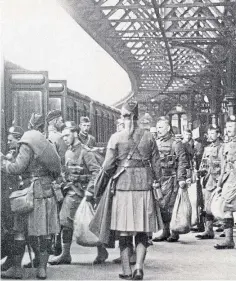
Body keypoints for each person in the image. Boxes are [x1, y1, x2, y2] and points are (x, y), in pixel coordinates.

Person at [92, 101, 163, 280]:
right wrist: (156, 182)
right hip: (145, 188)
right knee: (142, 230)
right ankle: (139, 267)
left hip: (123, 188)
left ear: (128, 117)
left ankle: (126, 270)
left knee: (124, 231)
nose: (122, 119)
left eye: (123, 115)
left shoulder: (116, 138)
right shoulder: (148, 137)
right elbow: (157, 166)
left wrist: (99, 186)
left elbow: (107, 166)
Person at [1, 113, 61, 279]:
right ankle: (42, 269)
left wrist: (2, 162)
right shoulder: (49, 144)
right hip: (47, 192)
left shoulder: (28, 142)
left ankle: (17, 269)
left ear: (31, 125)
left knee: (20, 231)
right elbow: (57, 170)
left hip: (29, 193)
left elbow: (17, 167)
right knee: (45, 232)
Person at [49, 121, 108, 266]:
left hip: (83, 193)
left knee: (89, 223)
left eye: (67, 135)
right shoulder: (69, 151)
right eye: (63, 136)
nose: (64, 138)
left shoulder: (85, 151)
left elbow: (96, 172)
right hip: (71, 191)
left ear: (75, 133)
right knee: (65, 221)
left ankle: (101, 251)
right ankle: (66, 254)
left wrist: (90, 190)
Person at [153, 116, 188, 243]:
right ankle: (165, 231)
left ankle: (174, 232)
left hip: (171, 179)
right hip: (159, 179)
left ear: (168, 128)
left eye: (161, 127)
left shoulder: (176, 143)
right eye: (157, 128)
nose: (158, 130)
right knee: (161, 205)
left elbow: (182, 162)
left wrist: (181, 179)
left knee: (171, 205)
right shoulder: (155, 142)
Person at [1, 126, 24, 272]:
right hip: (8, 194)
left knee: (15, 229)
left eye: (11, 140)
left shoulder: (22, 153)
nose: (9, 143)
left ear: (18, 139)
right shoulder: (12, 153)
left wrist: (4, 163)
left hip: (18, 195)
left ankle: (13, 261)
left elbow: (16, 170)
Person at [195, 125, 223, 240]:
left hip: (219, 180)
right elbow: (204, 163)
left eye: (213, 133)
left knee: (222, 206)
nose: (210, 136)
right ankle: (208, 230)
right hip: (208, 180)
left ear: (218, 134)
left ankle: (226, 229)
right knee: (207, 206)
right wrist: (200, 172)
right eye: (209, 133)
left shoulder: (223, 147)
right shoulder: (207, 148)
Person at [214, 115, 236, 249]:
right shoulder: (226, 144)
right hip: (229, 180)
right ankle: (229, 239)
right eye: (227, 127)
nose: (228, 129)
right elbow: (223, 166)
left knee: (227, 207)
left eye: (232, 127)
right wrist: (219, 184)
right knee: (226, 207)